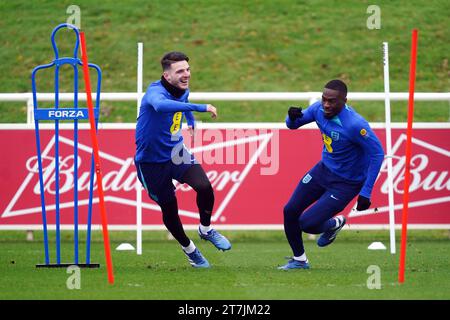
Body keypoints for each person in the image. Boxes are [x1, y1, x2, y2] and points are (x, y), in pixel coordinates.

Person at [135, 51, 231, 268]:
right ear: (166, 75)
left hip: (176, 152)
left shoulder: (181, 89)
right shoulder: (154, 92)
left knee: (204, 187)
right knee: (170, 209)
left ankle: (205, 229)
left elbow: (183, 99)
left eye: (187, 69)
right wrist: (200, 108)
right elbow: (161, 106)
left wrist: (191, 120)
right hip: (150, 163)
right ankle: (190, 250)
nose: (186, 74)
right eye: (180, 71)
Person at [278, 79, 384, 270]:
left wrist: (366, 192)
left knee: (307, 224)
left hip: (346, 183)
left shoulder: (355, 125)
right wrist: (291, 117)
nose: (326, 104)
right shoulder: (318, 109)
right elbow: (292, 125)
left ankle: (334, 223)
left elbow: (377, 153)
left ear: (344, 100)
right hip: (322, 171)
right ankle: (300, 260)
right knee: (289, 211)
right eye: (324, 99)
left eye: (332, 101)